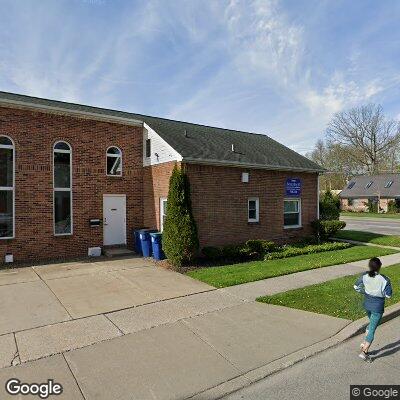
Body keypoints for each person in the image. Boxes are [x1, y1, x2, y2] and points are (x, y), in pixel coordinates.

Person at [354, 257, 392, 362]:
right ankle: (364, 352)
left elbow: (356, 287)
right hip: (377, 308)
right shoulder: (385, 279)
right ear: (380, 266)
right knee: (372, 329)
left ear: (369, 266)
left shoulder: (364, 276)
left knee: (371, 324)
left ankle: (364, 342)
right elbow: (389, 295)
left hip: (367, 305)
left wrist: (365, 292)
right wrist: (379, 293)